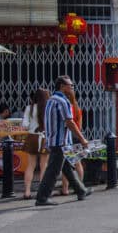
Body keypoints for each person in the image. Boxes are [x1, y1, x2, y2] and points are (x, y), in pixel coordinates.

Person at [34, 76, 91, 206]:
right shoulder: (62, 101)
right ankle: (42, 198)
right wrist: (82, 139)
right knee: (53, 171)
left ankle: (80, 190)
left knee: (67, 168)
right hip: (60, 142)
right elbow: (69, 122)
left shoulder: (51, 100)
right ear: (62, 86)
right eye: (70, 85)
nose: (72, 88)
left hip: (55, 141)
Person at [21, 89, 50, 200]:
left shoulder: (30, 108)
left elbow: (25, 125)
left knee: (31, 165)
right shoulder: (48, 108)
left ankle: (27, 192)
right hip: (45, 137)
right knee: (44, 166)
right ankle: (41, 192)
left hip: (32, 137)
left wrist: (32, 126)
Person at [60, 87, 85, 196]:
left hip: (68, 136)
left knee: (67, 163)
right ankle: (79, 186)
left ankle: (65, 189)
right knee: (77, 162)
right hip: (77, 136)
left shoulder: (65, 107)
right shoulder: (77, 109)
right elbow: (79, 125)